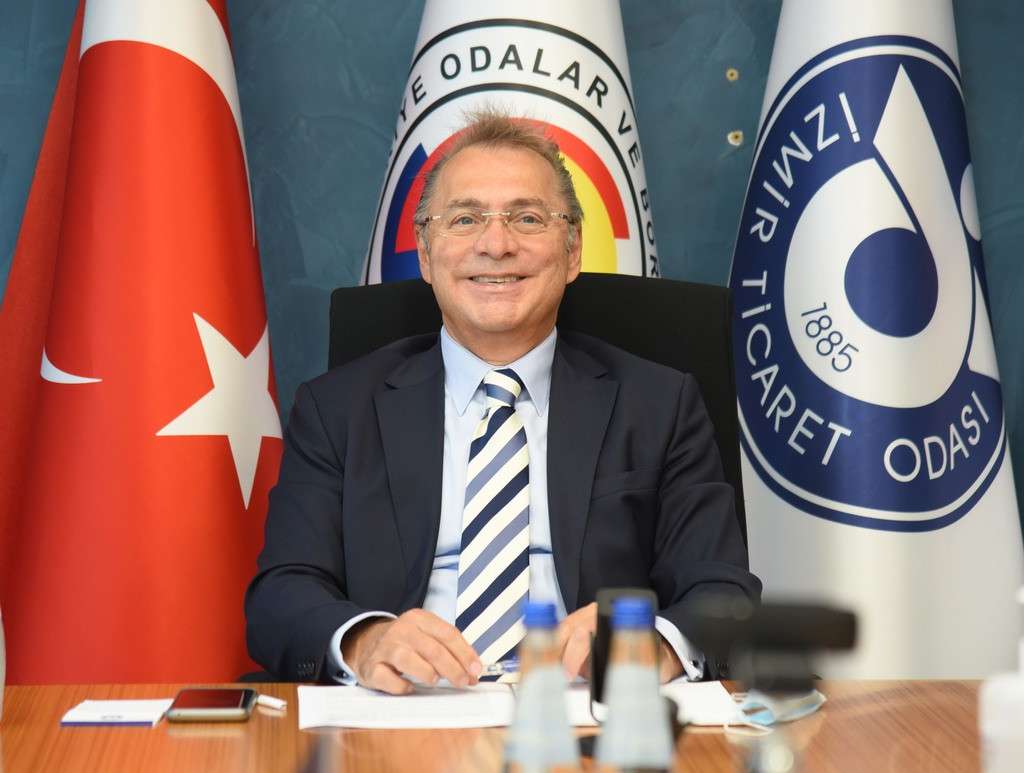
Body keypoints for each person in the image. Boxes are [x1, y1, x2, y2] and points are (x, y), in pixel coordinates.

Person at [245, 110, 761, 694]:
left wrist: (655, 641)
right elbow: (281, 595)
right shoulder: (337, 410)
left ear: (572, 251)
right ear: (425, 253)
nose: (496, 245)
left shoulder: (660, 405)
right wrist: (366, 641)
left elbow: (724, 594)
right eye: (465, 219)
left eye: (527, 218)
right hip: (403, 710)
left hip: (588, 711)